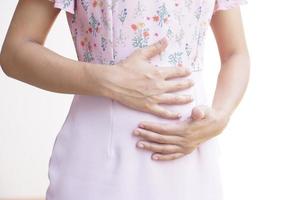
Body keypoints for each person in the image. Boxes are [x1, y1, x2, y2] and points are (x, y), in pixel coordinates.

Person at [0, 0, 250, 199]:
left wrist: (220, 116)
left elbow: (235, 54)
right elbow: (15, 52)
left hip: (190, 160)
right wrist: (110, 79)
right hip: (98, 160)